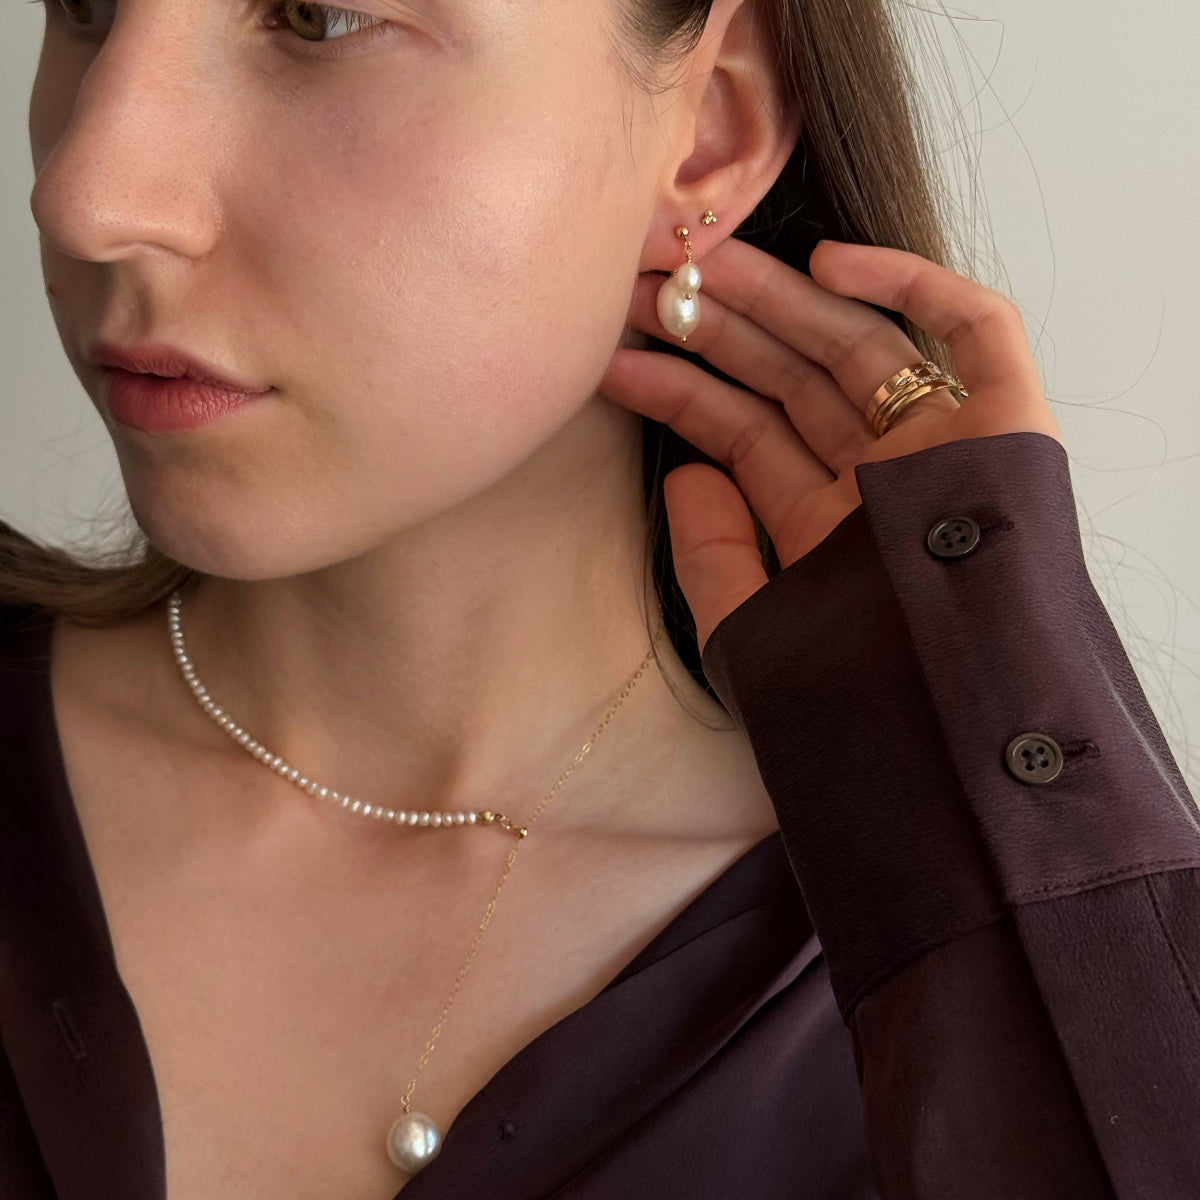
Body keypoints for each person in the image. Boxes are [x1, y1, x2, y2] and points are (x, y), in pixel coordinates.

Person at [1, 0, 1197, 1197]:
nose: (89, 194)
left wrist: (1006, 716)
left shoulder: (925, 943)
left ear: (710, 127)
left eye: (316, 18)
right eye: (86, 9)